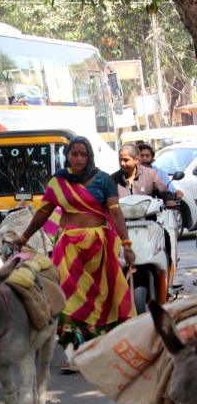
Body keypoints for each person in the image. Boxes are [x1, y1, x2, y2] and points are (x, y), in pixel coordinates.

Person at [11, 136, 135, 373]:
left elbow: (116, 214)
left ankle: (102, 349)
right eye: (74, 154)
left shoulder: (103, 179)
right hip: (68, 248)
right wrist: (24, 237)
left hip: (99, 248)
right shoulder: (58, 181)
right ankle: (74, 354)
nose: (79, 158)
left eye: (83, 154)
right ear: (67, 155)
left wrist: (126, 244)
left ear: (90, 155)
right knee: (67, 298)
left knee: (102, 298)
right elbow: (42, 214)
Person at [111, 144, 176, 207]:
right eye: (120, 159)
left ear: (136, 159)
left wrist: (169, 199)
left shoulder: (151, 174)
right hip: (121, 217)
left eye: (126, 160)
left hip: (147, 216)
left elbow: (163, 191)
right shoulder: (112, 179)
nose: (122, 163)